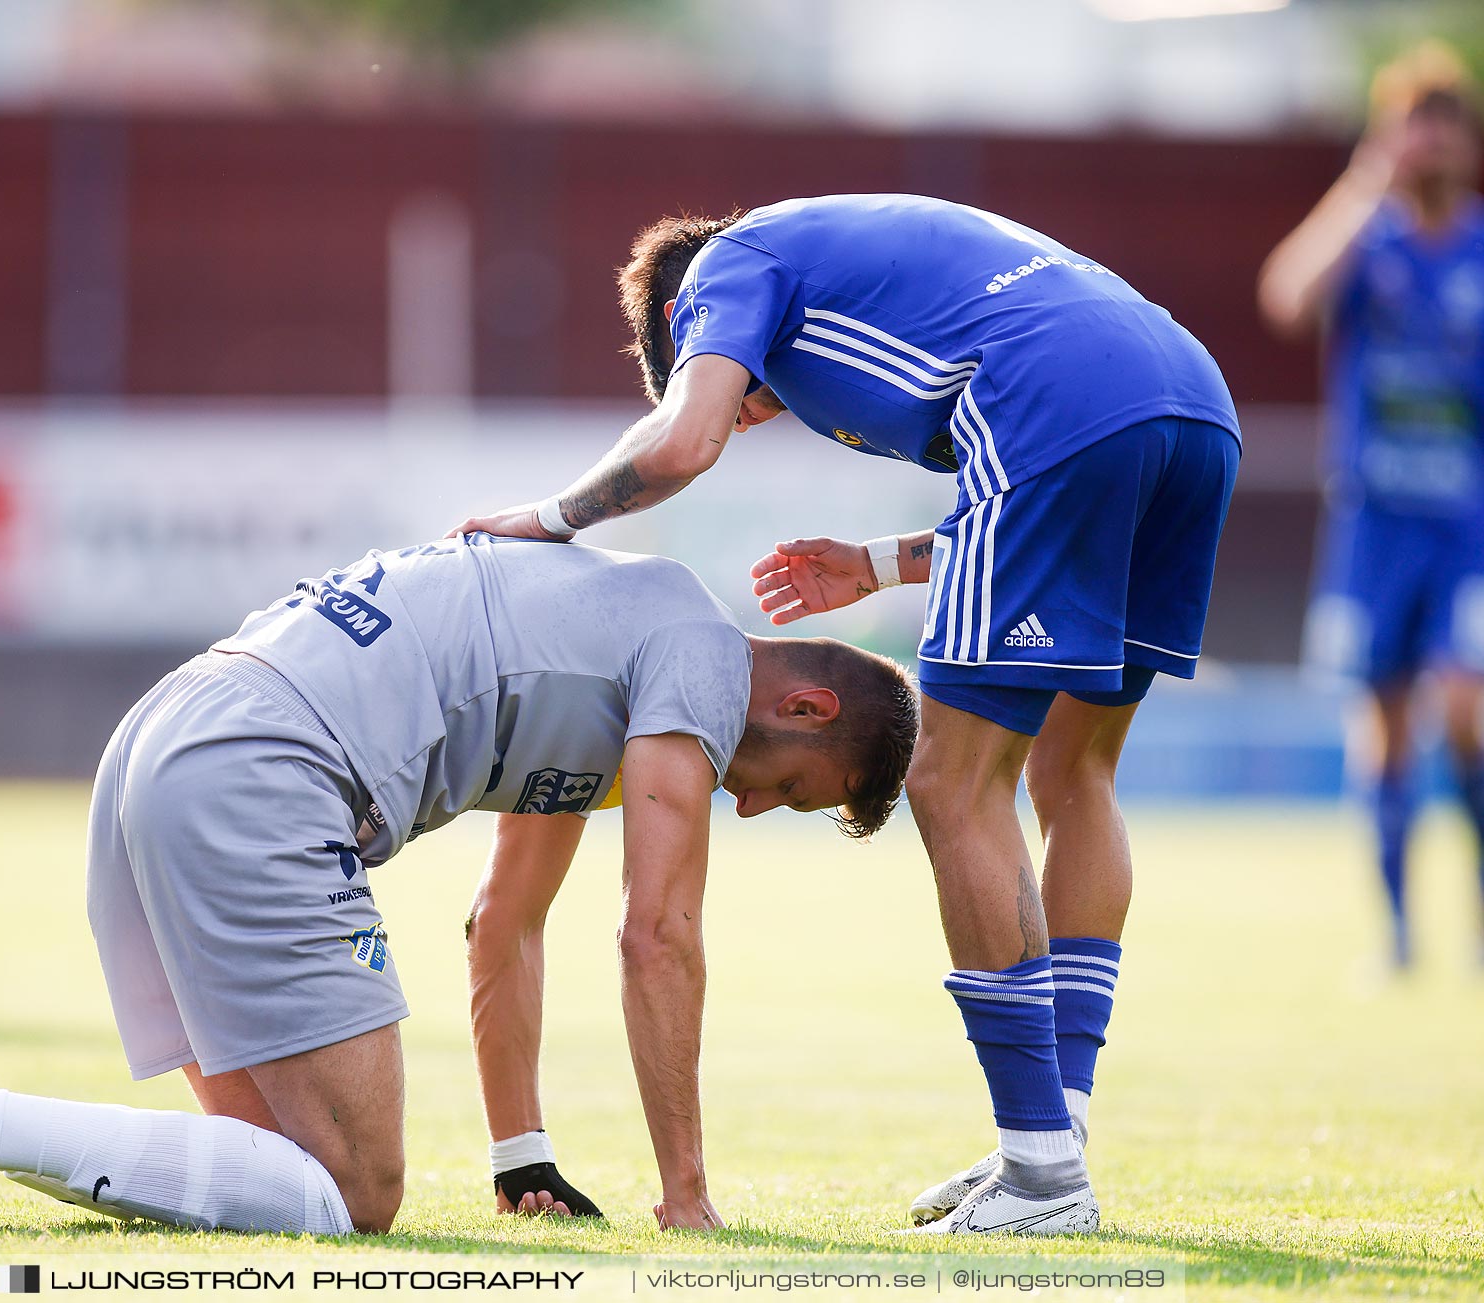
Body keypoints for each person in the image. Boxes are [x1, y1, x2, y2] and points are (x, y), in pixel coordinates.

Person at [0, 533, 917, 1233]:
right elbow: (657, 932)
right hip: (262, 772)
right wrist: (687, 1196)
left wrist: (523, 1158)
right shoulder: (699, 664)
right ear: (807, 706)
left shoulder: (618, 640)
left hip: (169, 735)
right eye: (791, 790)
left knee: (280, 1186)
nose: (748, 806)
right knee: (357, 1193)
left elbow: (503, 919)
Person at [454, 194, 1241, 1234]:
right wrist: (873, 567)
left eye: (733, 391)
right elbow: (1028, 498)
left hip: (1060, 404)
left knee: (951, 781)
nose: (743, 410)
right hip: (1190, 402)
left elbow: (683, 443)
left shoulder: (729, 266)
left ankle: (1044, 1171)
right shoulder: (855, 257)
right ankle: (1054, 1139)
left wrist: (544, 518)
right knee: (1071, 773)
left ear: (687, 327)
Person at [1258, 43, 1484, 969]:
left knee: (1465, 708)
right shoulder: (1366, 240)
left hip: (1468, 528)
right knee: (1383, 723)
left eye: (1444, 128)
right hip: (1375, 521)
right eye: (1410, 129)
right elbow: (1287, 297)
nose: (1428, 147)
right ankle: (1396, 930)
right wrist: (1361, 188)